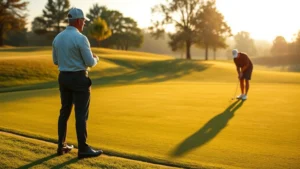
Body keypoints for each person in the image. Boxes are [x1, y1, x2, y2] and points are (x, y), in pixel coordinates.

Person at [52, 7, 102, 159]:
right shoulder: (81, 38)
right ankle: (83, 149)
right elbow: (89, 62)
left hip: (64, 78)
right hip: (79, 79)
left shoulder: (58, 38)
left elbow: (55, 61)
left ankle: (61, 145)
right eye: (84, 22)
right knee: (81, 114)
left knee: (64, 111)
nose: (84, 24)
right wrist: (96, 58)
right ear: (79, 21)